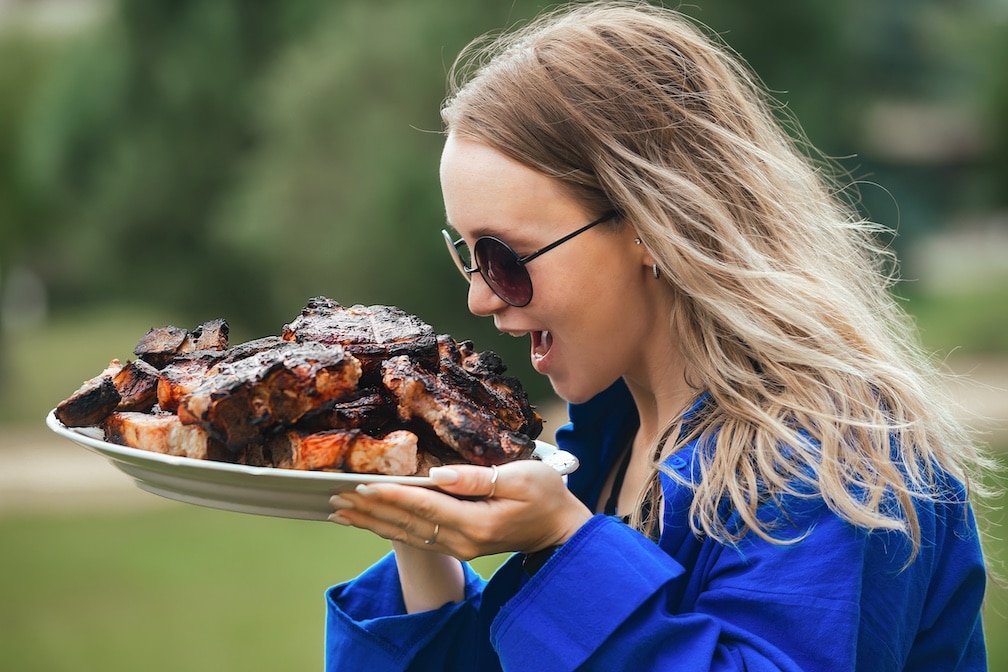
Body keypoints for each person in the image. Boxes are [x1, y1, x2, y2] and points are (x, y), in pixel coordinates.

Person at [323, 2, 993, 669]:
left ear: (648, 224)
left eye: (504, 256)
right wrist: (418, 525)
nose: (478, 297)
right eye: (467, 255)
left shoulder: (836, 456)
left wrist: (564, 544)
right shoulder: (607, 443)